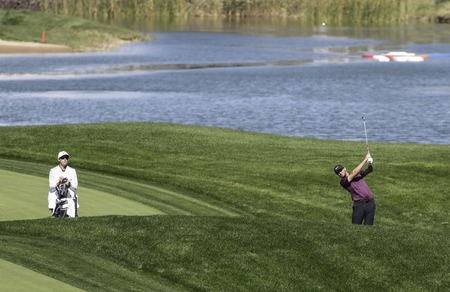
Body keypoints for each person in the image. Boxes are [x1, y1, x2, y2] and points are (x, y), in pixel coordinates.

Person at [334, 153, 375, 225]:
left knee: (369, 226)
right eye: (338, 172)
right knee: (356, 226)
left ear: (345, 168)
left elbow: (369, 170)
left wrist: (369, 163)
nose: (340, 172)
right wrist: (365, 159)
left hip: (370, 203)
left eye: (341, 170)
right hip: (359, 205)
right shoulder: (343, 182)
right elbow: (354, 173)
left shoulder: (358, 175)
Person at [48, 151, 79, 218]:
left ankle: (72, 214)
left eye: (66, 158)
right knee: (54, 195)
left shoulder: (72, 171)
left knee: (72, 196)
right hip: (56, 194)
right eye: (62, 158)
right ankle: (55, 213)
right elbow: (51, 186)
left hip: (68, 194)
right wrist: (59, 182)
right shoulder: (53, 171)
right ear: (59, 159)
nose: (65, 159)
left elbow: (75, 186)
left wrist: (68, 183)